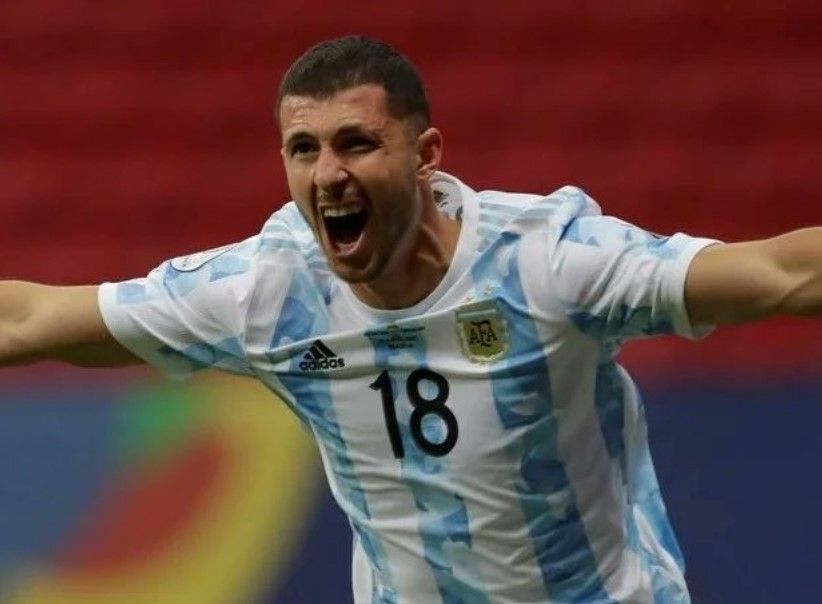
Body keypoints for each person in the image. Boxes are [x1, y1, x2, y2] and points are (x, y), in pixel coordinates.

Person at [1, 35, 820, 604]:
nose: (327, 174)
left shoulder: (548, 264)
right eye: (303, 149)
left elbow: (779, 274)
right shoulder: (269, 293)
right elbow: (33, 318)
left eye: (356, 143)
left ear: (426, 156)